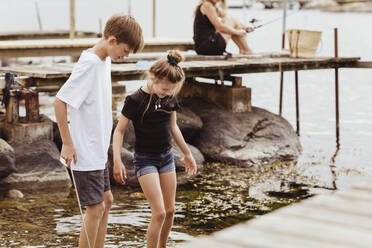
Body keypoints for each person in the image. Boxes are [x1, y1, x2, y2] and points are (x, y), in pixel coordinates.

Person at [54, 14, 144, 248]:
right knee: (95, 208)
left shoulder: (103, 60)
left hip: (98, 149)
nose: (124, 57)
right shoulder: (91, 64)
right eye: (124, 51)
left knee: (107, 201)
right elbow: (60, 101)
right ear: (112, 40)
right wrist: (67, 142)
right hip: (85, 150)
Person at [112, 50, 198, 248]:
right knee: (158, 212)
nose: (167, 93)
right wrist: (117, 160)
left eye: (171, 90)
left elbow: (173, 127)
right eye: (165, 89)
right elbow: (119, 132)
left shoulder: (169, 98)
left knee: (170, 211)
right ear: (153, 78)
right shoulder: (134, 100)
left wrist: (187, 153)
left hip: (166, 157)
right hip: (145, 159)